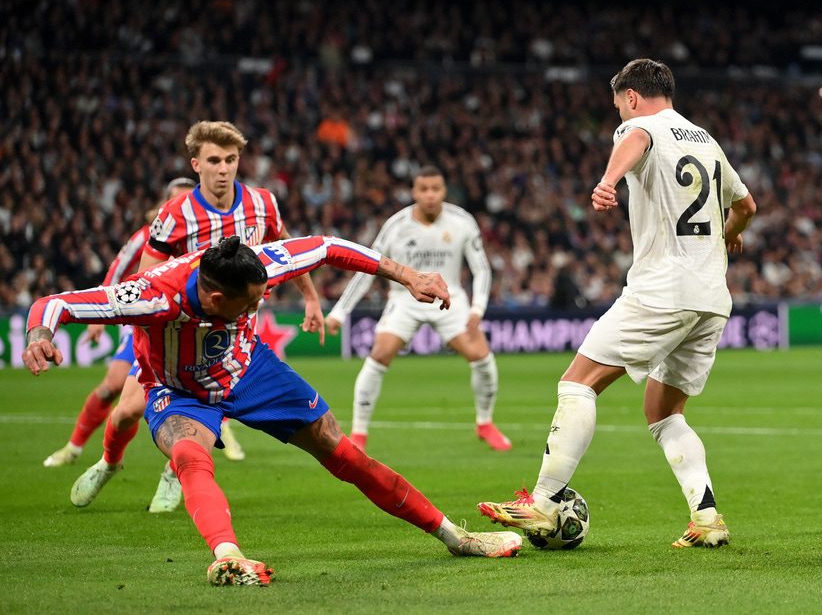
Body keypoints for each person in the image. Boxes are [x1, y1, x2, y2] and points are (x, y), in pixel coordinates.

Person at [22, 235, 522, 586]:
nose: (254, 308)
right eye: (247, 305)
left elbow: (328, 248)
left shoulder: (257, 264)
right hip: (180, 390)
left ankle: (455, 537)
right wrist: (40, 335)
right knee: (190, 456)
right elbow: (55, 303)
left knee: (341, 451)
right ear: (215, 297)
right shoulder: (151, 296)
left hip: (251, 371)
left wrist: (407, 275)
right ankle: (228, 556)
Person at [477, 58, 757, 548]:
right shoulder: (707, 140)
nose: (619, 117)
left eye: (618, 107)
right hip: (711, 296)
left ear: (631, 97)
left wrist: (608, 181)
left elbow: (637, 141)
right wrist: (729, 235)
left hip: (662, 289)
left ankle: (542, 504)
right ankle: (707, 517)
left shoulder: (641, 126)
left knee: (577, 383)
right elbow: (747, 206)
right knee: (664, 412)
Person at [67, 121, 326, 511]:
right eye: (214, 160)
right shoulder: (175, 215)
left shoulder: (263, 204)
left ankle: (175, 472)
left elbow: (288, 249)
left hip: (229, 338)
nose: (223, 169)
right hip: (172, 336)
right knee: (127, 412)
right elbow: (145, 280)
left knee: (214, 402)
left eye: (231, 160)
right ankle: (109, 462)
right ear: (196, 164)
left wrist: (310, 297)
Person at [324, 166, 510, 452]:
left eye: (436, 188)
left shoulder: (462, 222)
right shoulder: (396, 225)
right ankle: (359, 434)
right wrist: (339, 312)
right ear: (414, 191)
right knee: (380, 354)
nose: (430, 195)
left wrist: (477, 308)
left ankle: (485, 423)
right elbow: (366, 268)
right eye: (424, 189)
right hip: (404, 299)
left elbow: (481, 268)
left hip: (451, 299)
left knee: (482, 357)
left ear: (444, 190)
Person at [42, 177, 195, 469]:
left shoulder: (206, 234)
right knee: (112, 386)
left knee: (180, 399)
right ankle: (75, 449)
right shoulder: (149, 234)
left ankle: (174, 473)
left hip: (190, 327)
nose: (180, 206)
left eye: (186, 200)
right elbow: (118, 267)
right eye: (174, 200)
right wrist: (99, 317)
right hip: (147, 323)